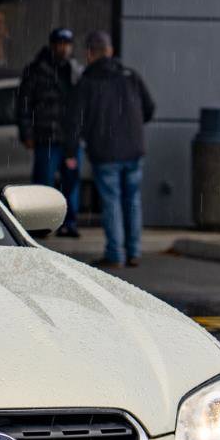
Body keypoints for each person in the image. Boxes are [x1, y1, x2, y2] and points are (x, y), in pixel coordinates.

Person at [65, 30, 155, 268]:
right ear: (110, 51)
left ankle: (115, 254)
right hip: (134, 149)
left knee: (112, 202)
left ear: (89, 54)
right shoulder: (130, 76)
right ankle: (134, 252)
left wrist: (70, 151)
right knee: (132, 200)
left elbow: (74, 120)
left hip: (105, 152)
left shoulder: (87, 82)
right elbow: (149, 108)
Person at [16, 27, 82, 237]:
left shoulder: (75, 70)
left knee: (71, 182)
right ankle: (41, 224)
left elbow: (82, 105)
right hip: (46, 136)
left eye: (67, 43)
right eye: (60, 43)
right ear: (52, 45)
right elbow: (23, 104)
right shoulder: (36, 70)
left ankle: (69, 223)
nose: (64, 48)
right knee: (43, 183)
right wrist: (26, 132)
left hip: (70, 139)